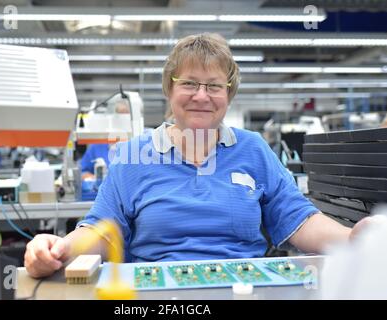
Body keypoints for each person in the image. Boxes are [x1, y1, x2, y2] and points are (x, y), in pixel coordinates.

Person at [24, 33, 373, 278]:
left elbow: (299, 218)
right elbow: (102, 229)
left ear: (228, 94)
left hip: (244, 285)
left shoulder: (252, 149)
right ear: (170, 88)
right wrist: (58, 249)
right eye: (189, 83)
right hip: (157, 293)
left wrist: (351, 239)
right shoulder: (132, 156)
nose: (201, 96)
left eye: (214, 85)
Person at [79, 99, 131, 180]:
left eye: (127, 117)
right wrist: (98, 180)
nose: (123, 122)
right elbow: (83, 172)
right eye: (120, 116)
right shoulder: (97, 146)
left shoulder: (141, 144)